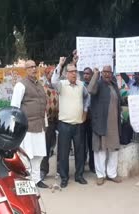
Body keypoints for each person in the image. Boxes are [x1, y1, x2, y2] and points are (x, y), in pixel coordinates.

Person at [51, 58, 90, 188]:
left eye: (75, 72)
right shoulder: (61, 85)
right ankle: (64, 177)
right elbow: (53, 81)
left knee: (80, 151)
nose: (74, 74)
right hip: (64, 124)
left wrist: (85, 111)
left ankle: (79, 176)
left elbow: (87, 97)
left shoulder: (81, 85)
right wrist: (60, 64)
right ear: (66, 74)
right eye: (71, 72)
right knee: (63, 152)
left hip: (79, 124)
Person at [11, 60, 48, 188]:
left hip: (40, 125)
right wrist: (16, 127)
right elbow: (14, 107)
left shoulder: (40, 85)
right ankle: (27, 181)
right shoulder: (21, 85)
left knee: (39, 154)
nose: (33, 69)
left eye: (35, 66)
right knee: (27, 155)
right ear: (26, 70)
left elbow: (43, 105)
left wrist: (46, 123)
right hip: (27, 127)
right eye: (30, 67)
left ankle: (36, 179)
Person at [88, 65, 122, 185]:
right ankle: (100, 175)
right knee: (100, 150)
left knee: (114, 150)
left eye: (109, 72)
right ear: (102, 73)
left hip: (113, 124)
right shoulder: (98, 84)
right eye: (105, 72)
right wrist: (95, 74)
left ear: (112, 73)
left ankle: (111, 174)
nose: (107, 74)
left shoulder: (113, 85)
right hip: (101, 123)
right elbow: (90, 90)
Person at [40, 66, 59, 180]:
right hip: (48, 121)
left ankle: (61, 171)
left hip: (60, 120)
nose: (52, 76)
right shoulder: (42, 87)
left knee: (61, 147)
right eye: (50, 74)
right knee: (46, 146)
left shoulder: (58, 86)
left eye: (53, 74)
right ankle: (43, 170)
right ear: (46, 74)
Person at [83, 67, 95, 173]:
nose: (86, 75)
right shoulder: (80, 86)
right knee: (82, 143)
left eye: (88, 74)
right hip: (82, 118)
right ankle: (81, 165)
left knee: (92, 143)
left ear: (92, 75)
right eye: (84, 73)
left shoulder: (95, 86)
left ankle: (92, 165)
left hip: (92, 118)